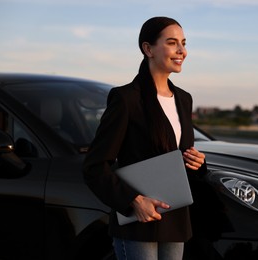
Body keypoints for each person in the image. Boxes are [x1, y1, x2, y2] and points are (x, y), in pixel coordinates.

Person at [82, 16, 206, 260]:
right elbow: (95, 167)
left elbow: (177, 158)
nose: (182, 50)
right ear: (147, 48)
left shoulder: (184, 99)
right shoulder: (126, 99)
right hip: (138, 221)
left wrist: (198, 163)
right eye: (172, 43)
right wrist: (132, 201)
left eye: (183, 42)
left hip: (175, 218)